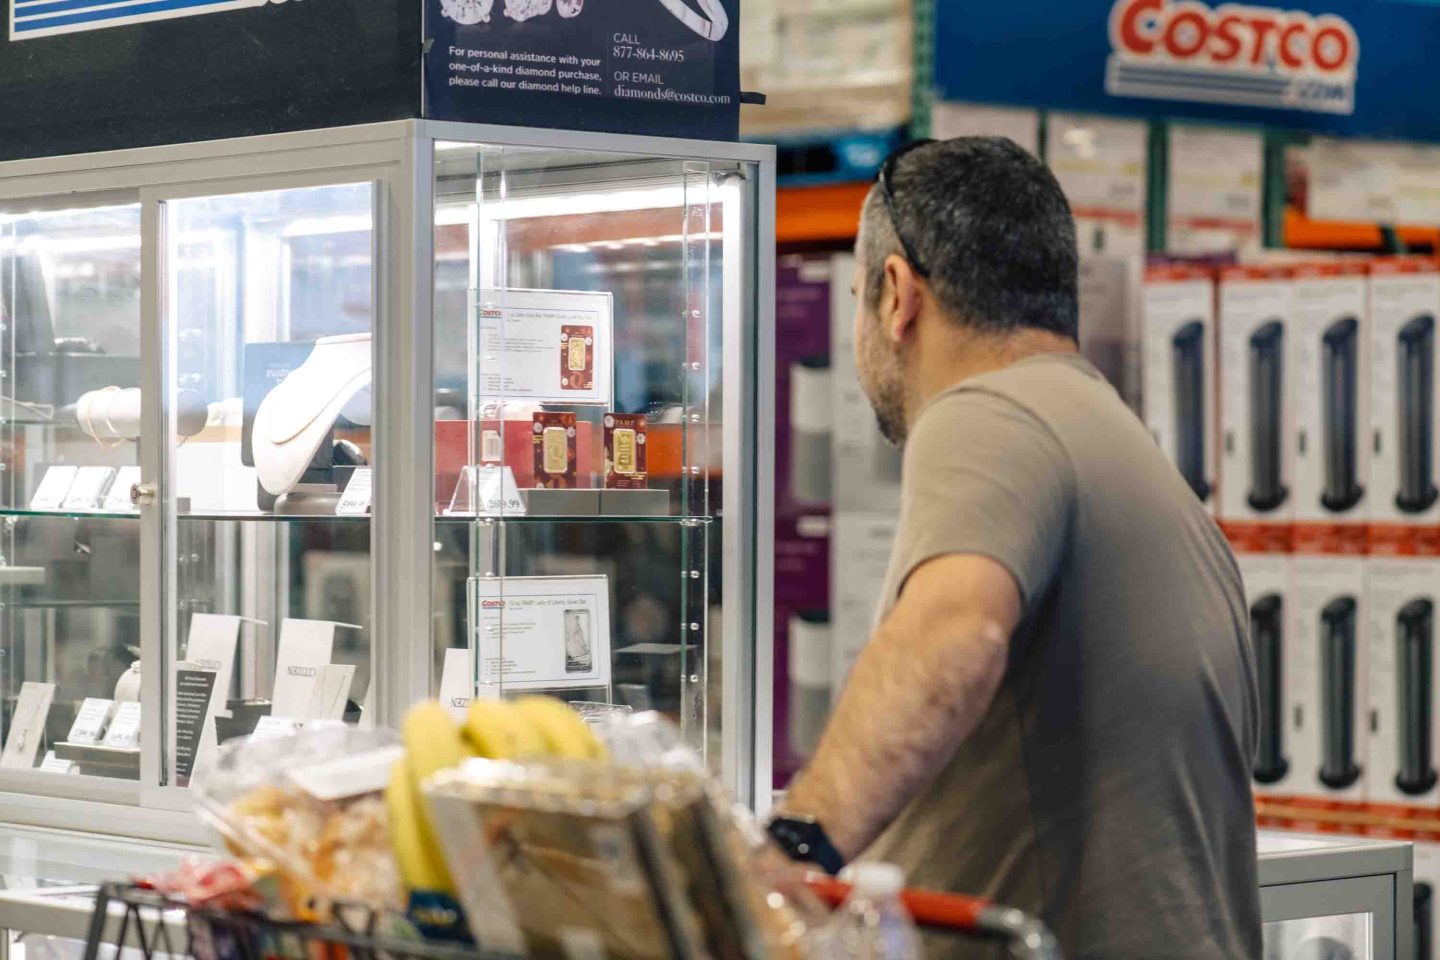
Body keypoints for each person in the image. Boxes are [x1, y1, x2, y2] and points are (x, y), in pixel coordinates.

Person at [766, 137, 1261, 959]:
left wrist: (786, 857)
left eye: (857, 296)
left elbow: (954, 634)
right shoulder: (1110, 439)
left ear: (897, 297)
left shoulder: (990, 413)